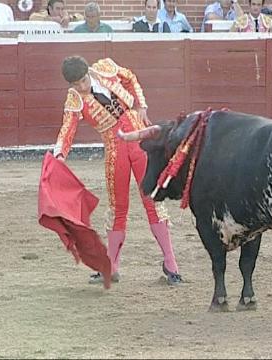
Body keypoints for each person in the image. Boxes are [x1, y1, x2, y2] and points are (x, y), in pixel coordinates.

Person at [53, 55, 182, 285]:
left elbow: (130, 77)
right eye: (76, 85)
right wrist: (59, 154)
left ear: (88, 73)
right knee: (118, 207)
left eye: (83, 81)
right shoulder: (74, 99)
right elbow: (67, 129)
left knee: (152, 200)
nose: (82, 87)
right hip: (115, 149)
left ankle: (171, 264)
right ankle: (111, 267)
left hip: (140, 138)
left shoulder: (105, 68)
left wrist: (141, 105)